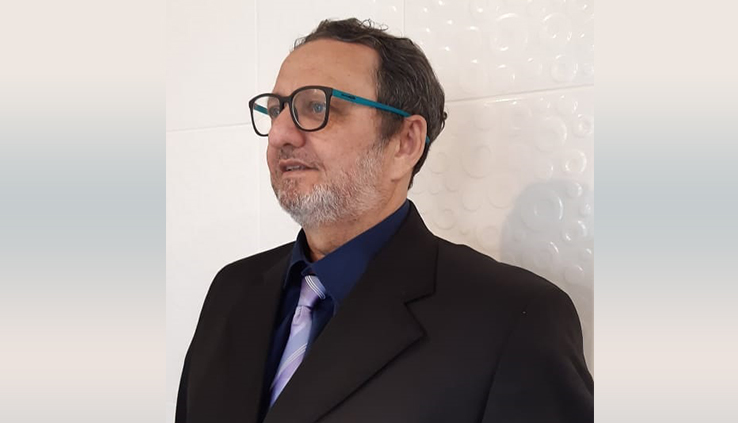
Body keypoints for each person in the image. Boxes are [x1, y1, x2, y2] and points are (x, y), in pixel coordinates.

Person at [176, 18, 593, 423]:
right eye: (275, 110)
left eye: (316, 107)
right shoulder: (231, 291)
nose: (280, 134)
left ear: (405, 143)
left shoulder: (513, 320)